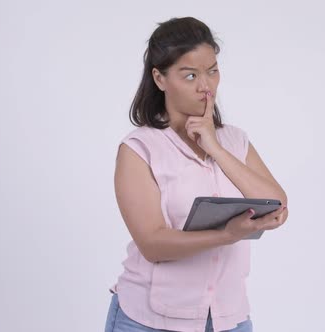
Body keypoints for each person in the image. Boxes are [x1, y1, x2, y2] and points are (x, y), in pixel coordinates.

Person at [105, 17, 289, 332]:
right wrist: (227, 235)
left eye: (212, 71)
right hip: (149, 320)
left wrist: (215, 148)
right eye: (190, 75)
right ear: (160, 78)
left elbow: (277, 207)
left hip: (227, 319)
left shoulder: (234, 140)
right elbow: (152, 243)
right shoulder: (140, 149)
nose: (206, 86)